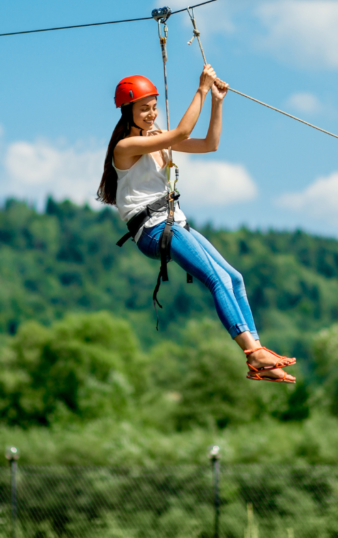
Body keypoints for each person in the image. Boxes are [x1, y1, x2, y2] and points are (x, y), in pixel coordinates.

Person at [97, 64, 296, 383]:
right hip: (153, 229)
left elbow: (208, 144)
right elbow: (182, 134)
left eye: (153, 107)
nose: (151, 114)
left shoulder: (157, 138)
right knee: (216, 279)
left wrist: (216, 101)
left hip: (174, 222)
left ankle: (259, 355)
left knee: (234, 278)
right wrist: (201, 89)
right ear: (127, 112)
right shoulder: (126, 147)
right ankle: (252, 353)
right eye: (143, 109)